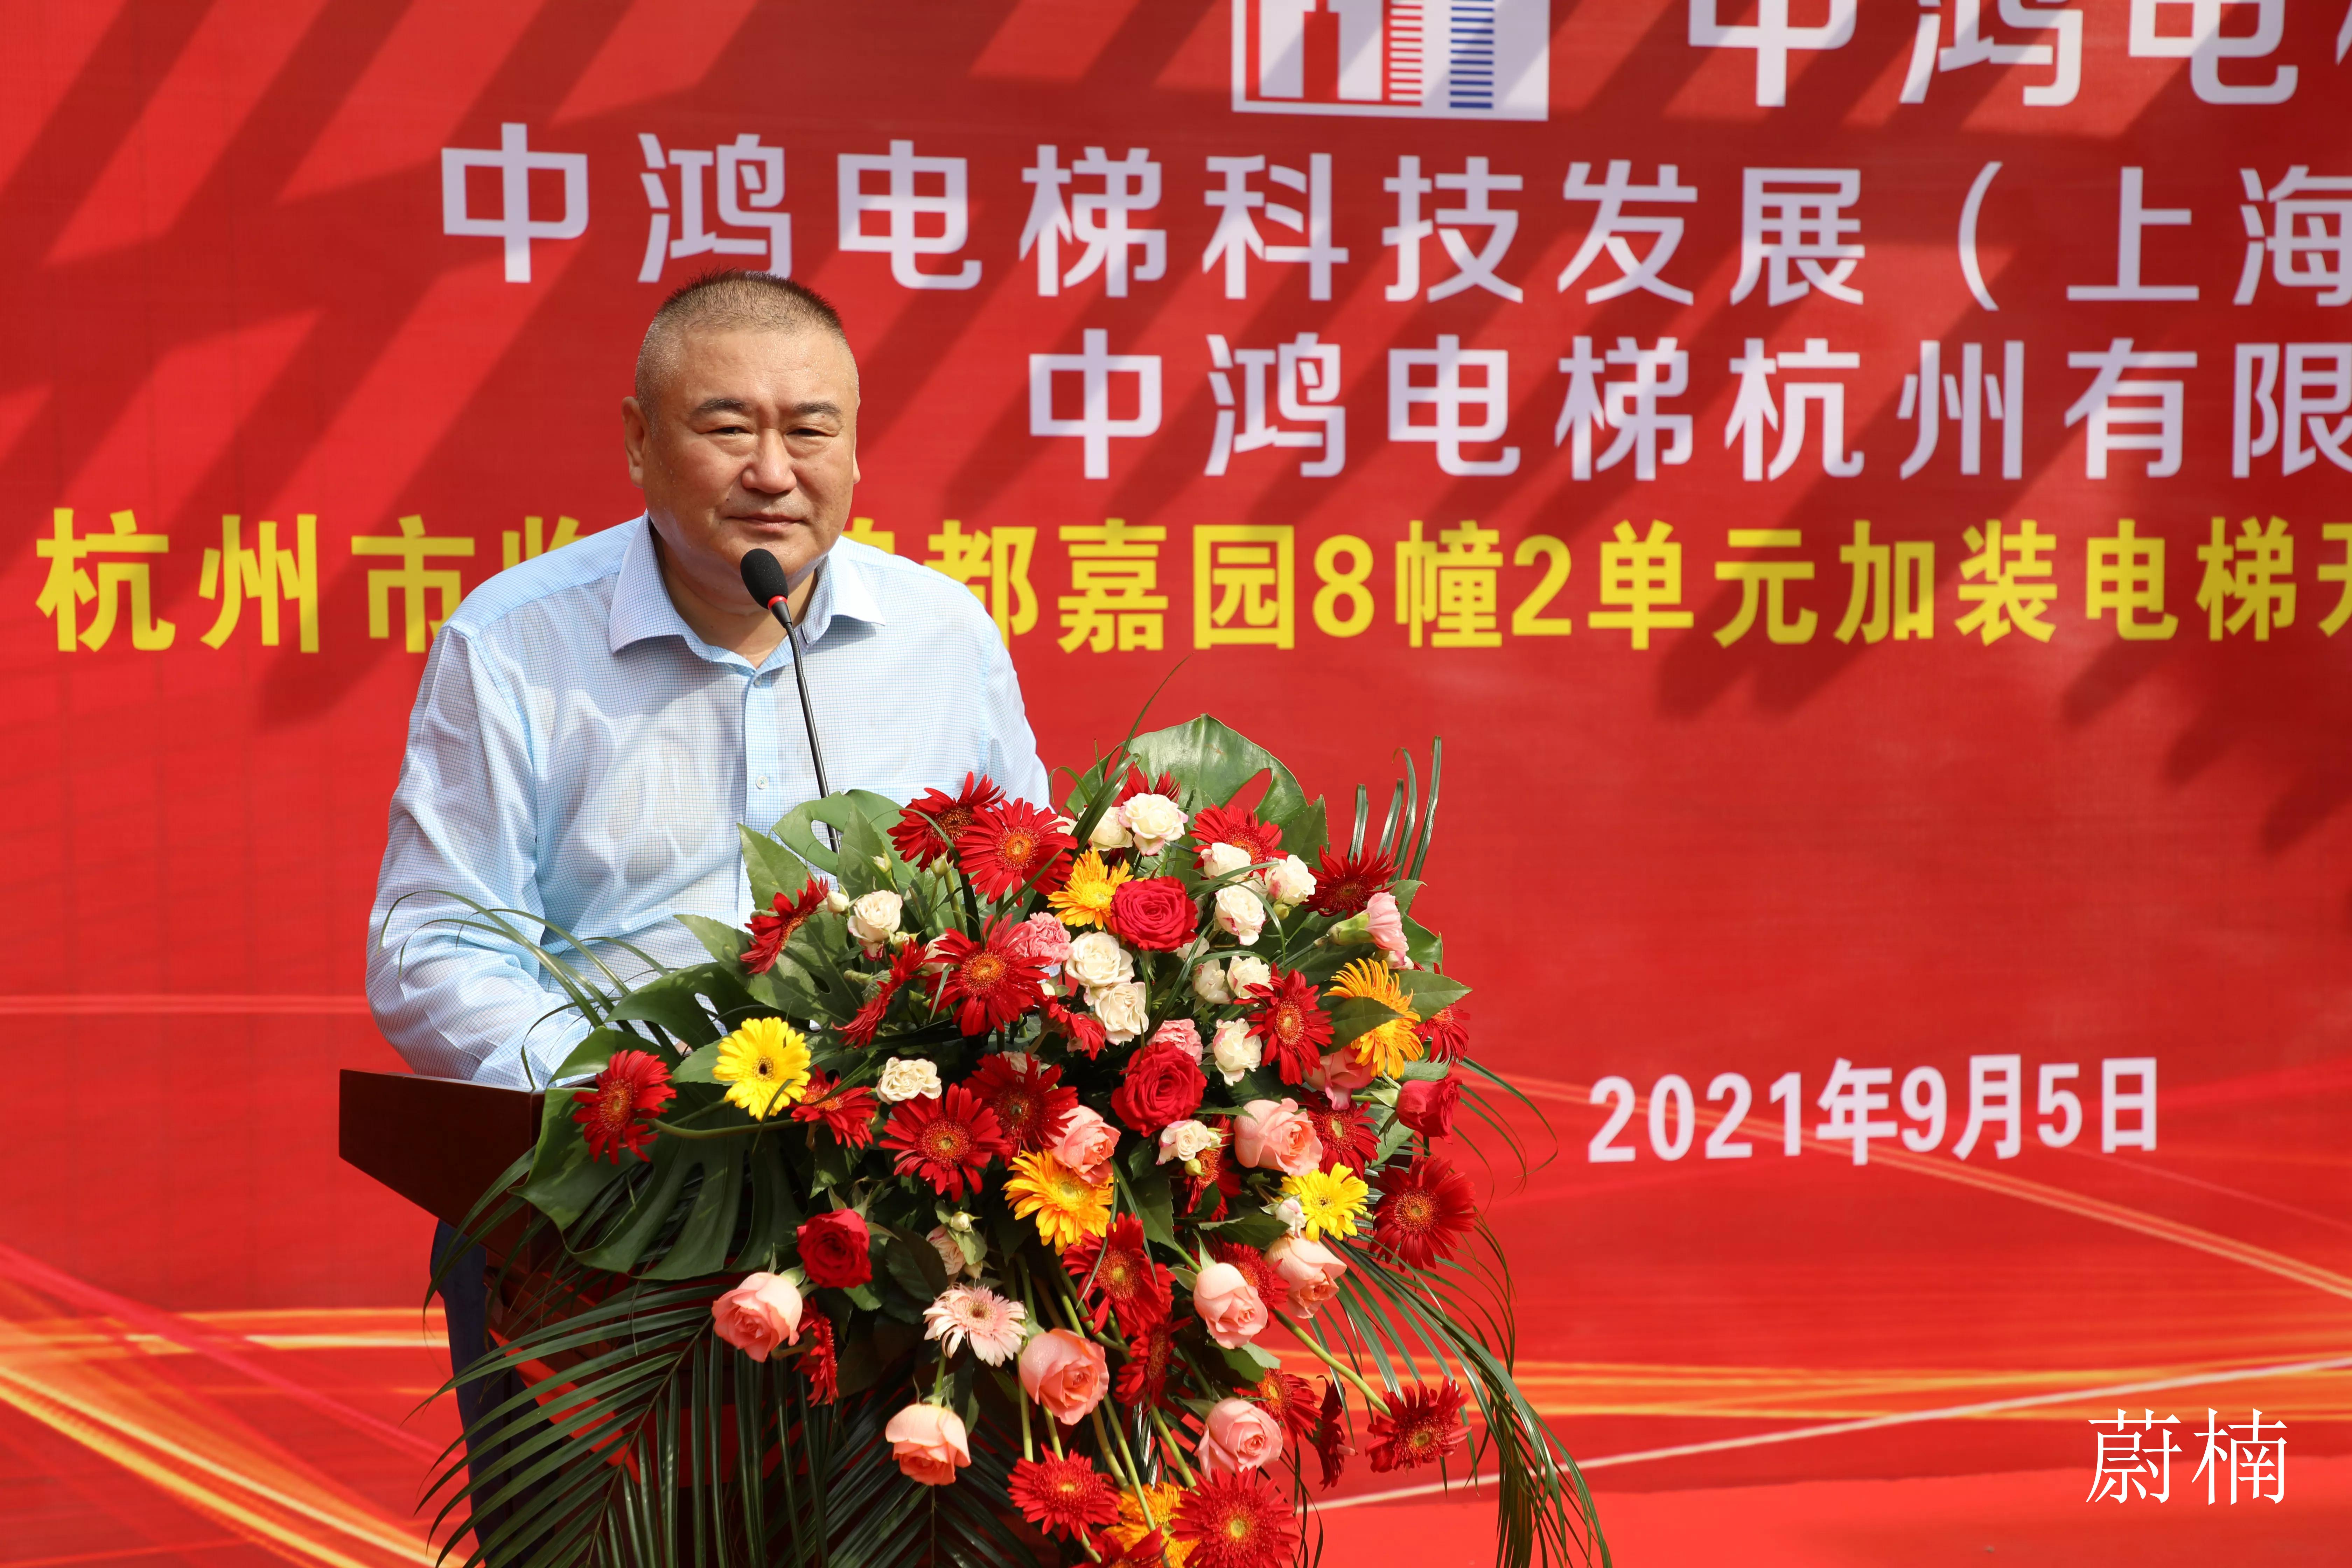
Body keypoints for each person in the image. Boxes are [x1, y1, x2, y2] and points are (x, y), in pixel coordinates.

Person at [365, 270, 1047, 1552]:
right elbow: (434, 939)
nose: (773, 471)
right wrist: (621, 1103)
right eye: (727, 427)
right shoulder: (517, 642)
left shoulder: (941, 637)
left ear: (858, 445)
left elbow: (1024, 906)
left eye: (812, 429)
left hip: (888, 1231)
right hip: (596, 1228)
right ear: (638, 440)